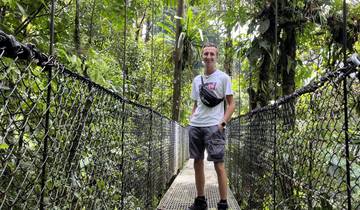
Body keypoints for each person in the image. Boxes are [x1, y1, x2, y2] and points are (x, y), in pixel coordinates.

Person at [187, 42, 235, 210]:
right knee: (197, 163)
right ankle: (201, 201)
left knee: (219, 165)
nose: (208, 57)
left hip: (213, 127)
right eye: (206, 54)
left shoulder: (223, 78)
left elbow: (231, 104)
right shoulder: (196, 80)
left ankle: (223, 203)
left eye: (211, 54)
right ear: (202, 56)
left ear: (216, 57)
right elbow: (196, 103)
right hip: (195, 126)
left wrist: (222, 123)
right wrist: (191, 118)